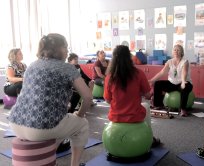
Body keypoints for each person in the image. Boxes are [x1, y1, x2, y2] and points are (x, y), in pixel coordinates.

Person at [8, 33, 92, 166]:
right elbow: (87, 97)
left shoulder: (32, 66)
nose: (67, 50)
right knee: (82, 125)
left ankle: (48, 155)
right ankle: (75, 164)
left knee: (62, 121)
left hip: (16, 124)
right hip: (41, 128)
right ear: (58, 49)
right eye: (66, 47)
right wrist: (80, 115)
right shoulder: (68, 68)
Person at [103, 45, 160, 148]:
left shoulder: (109, 77)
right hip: (134, 116)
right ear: (129, 57)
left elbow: (107, 100)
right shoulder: (139, 73)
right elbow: (147, 95)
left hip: (116, 116)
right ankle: (150, 139)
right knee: (146, 106)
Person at [149, 44, 193, 117]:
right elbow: (162, 72)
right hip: (172, 83)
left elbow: (184, 72)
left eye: (178, 50)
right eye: (174, 50)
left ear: (181, 52)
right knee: (157, 84)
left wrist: (183, 82)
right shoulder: (169, 61)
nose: (176, 51)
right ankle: (158, 105)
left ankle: (183, 109)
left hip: (183, 82)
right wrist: (152, 80)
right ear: (172, 52)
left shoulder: (185, 62)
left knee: (185, 87)